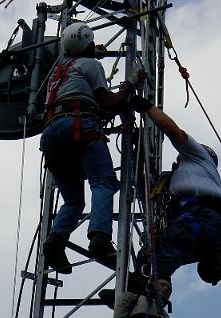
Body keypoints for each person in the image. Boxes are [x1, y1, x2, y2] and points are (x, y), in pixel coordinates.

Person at [39, 22, 145, 273]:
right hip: (78, 126)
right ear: (87, 44)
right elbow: (111, 102)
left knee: (74, 201)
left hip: (52, 135)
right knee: (104, 182)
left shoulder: (57, 72)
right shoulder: (91, 65)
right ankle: (99, 237)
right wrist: (132, 82)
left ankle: (55, 241)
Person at [129, 95, 221, 287]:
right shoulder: (176, 181)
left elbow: (173, 132)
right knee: (151, 257)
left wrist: (147, 108)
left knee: (163, 257)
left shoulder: (199, 156)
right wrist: (139, 147)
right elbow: (146, 187)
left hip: (200, 219)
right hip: (201, 227)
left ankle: (149, 286)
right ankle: (148, 294)